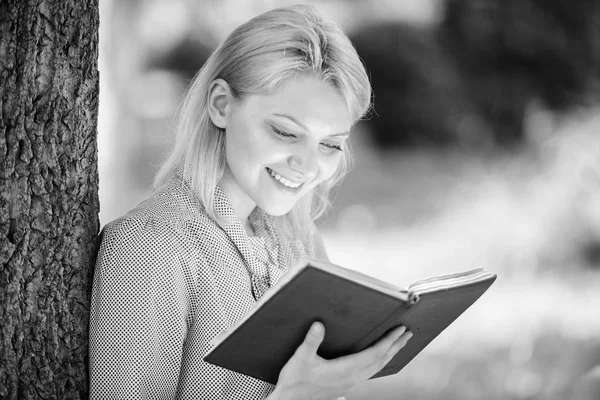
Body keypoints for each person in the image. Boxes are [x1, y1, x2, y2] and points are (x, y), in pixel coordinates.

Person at [89, 4, 413, 400]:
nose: (308, 166)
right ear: (221, 105)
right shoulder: (148, 246)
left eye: (330, 145)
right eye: (285, 132)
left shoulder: (298, 242)